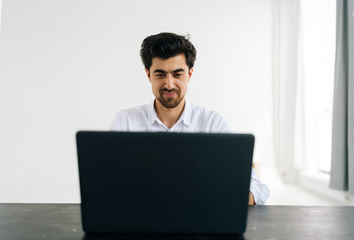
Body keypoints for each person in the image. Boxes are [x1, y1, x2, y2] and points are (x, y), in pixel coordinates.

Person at [110, 32, 270, 205]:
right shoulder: (126, 121)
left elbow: (257, 188)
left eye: (177, 74)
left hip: (201, 221)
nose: (169, 84)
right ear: (149, 75)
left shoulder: (212, 124)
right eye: (160, 74)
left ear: (190, 74)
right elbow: (106, 182)